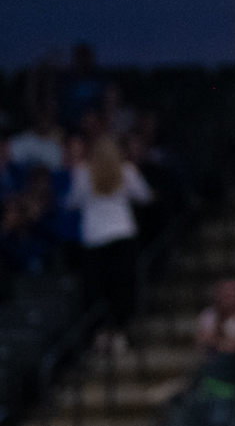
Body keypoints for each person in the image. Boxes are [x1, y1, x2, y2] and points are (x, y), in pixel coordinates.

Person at [69, 134, 151, 347]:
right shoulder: (127, 171)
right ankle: (120, 332)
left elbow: (72, 202)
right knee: (122, 288)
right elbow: (144, 196)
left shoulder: (83, 172)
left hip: (96, 239)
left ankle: (103, 334)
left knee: (99, 290)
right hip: (121, 236)